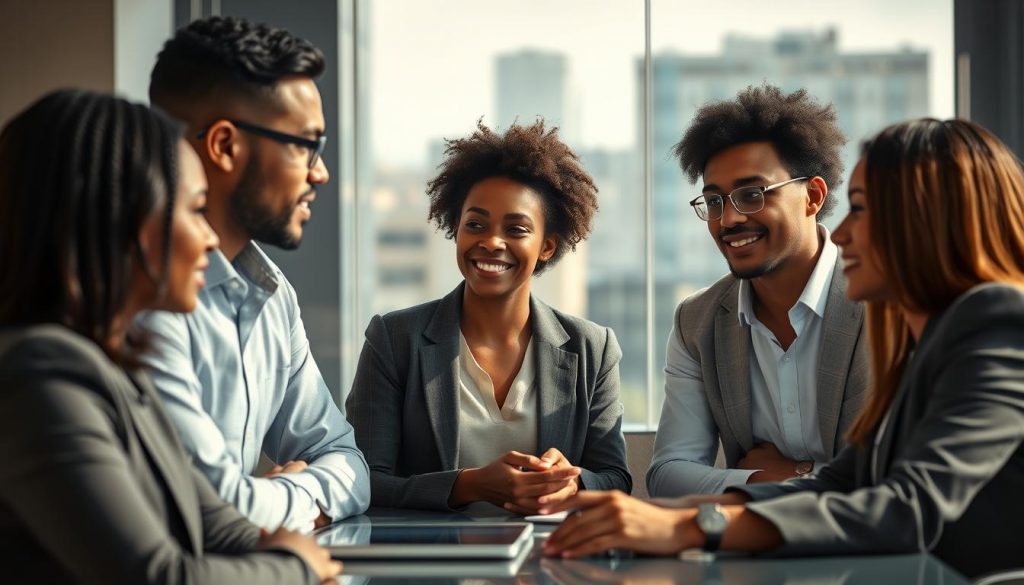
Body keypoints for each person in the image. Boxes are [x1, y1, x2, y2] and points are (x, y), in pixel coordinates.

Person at [540, 118, 1024, 579]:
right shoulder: (926, 340)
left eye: (860, 208)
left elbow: (907, 507)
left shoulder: (996, 321)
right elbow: (840, 484)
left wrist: (689, 526)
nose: (843, 232)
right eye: (714, 201)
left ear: (926, 220)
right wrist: (650, 518)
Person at [0, 90, 341, 584]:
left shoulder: (117, 370)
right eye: (194, 211)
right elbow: (160, 577)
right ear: (124, 220)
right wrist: (294, 566)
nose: (208, 238)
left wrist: (279, 541)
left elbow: (217, 525)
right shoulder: (39, 376)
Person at [137, 15, 369, 531]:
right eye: (305, 145)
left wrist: (276, 496)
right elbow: (214, 511)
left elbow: (347, 463)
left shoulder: (272, 295)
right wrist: (288, 498)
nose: (320, 172)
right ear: (223, 145)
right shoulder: (141, 299)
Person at [346, 120, 631, 512]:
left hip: (547, 565)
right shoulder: (394, 339)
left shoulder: (592, 348)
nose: (492, 242)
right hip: (431, 565)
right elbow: (363, 480)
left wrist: (575, 483)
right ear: (456, 229)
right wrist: (469, 485)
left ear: (547, 246)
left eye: (516, 229)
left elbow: (615, 478)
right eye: (475, 224)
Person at [647, 85, 868, 497]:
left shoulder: (882, 303)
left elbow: (895, 481)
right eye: (714, 202)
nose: (728, 219)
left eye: (752, 195)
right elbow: (668, 476)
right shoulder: (697, 321)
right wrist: (770, 478)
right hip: (751, 550)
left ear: (813, 196)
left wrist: (798, 472)